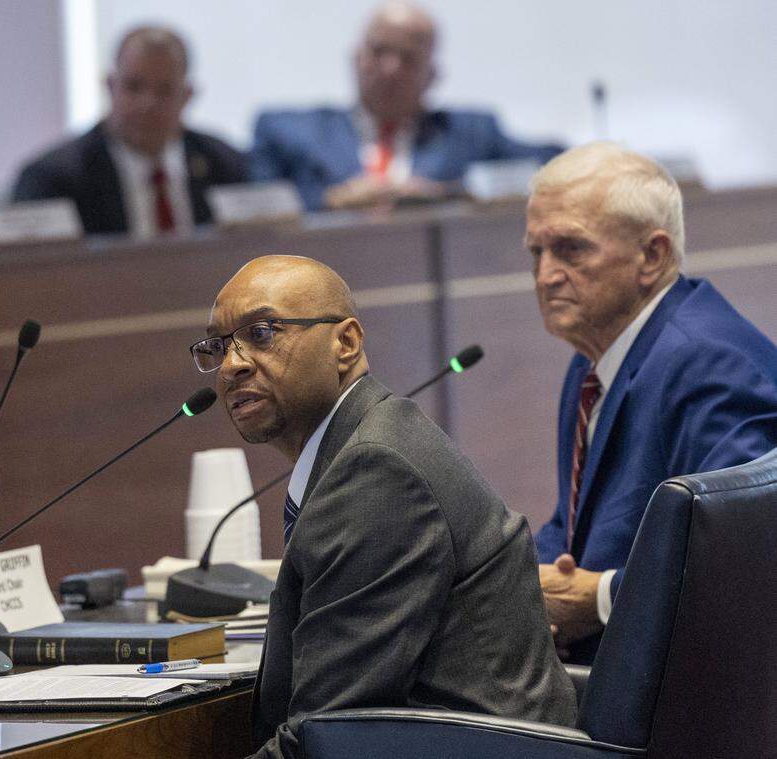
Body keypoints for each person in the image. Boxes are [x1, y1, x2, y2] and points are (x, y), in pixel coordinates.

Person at [194, 255, 576, 759]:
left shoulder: (376, 470)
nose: (232, 365)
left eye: (262, 333)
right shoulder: (366, 444)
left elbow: (328, 735)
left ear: (346, 343)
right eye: (218, 348)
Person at [528, 142, 777, 663]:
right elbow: (573, 526)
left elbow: (746, 564)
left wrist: (599, 600)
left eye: (571, 249)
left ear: (653, 255)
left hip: (682, 698)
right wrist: (520, 589)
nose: (546, 275)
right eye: (537, 251)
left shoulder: (711, 366)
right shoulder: (595, 356)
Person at [249, 1, 562, 212]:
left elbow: (552, 165)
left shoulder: (472, 132)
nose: (390, 69)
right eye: (379, 51)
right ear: (356, 58)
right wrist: (332, 200)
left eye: (408, 58)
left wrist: (448, 193)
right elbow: (251, 208)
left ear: (433, 75)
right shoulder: (289, 131)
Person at [11, 26, 246, 238]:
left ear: (187, 96)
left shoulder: (225, 166)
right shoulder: (54, 179)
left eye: (164, 90)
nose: (147, 104)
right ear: (111, 87)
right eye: (134, 87)